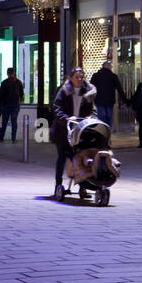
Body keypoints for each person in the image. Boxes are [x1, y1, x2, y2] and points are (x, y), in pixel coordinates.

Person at [51, 68, 97, 199]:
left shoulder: (87, 92)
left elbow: (93, 109)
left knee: (82, 157)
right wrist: (66, 118)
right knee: (62, 157)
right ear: (71, 78)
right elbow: (56, 107)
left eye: (81, 77)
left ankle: (83, 187)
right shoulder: (64, 90)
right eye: (77, 77)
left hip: (80, 129)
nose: (79, 80)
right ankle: (58, 185)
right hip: (63, 130)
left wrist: (90, 117)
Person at [90, 60, 126, 131]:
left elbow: (91, 87)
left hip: (99, 100)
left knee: (101, 116)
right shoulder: (113, 76)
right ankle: (108, 132)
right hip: (110, 100)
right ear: (108, 66)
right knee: (109, 117)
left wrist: (90, 99)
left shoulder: (96, 75)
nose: (111, 67)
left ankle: (102, 131)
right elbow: (119, 89)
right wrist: (124, 100)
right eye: (110, 66)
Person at [0, 67, 24, 143]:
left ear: (7, 73)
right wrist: (19, 101)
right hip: (15, 105)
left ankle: (1, 137)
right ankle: (13, 138)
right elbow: (21, 94)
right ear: (14, 73)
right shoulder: (18, 82)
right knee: (14, 121)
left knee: (4, 122)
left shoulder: (4, 82)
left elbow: (0, 95)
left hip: (6, 105)